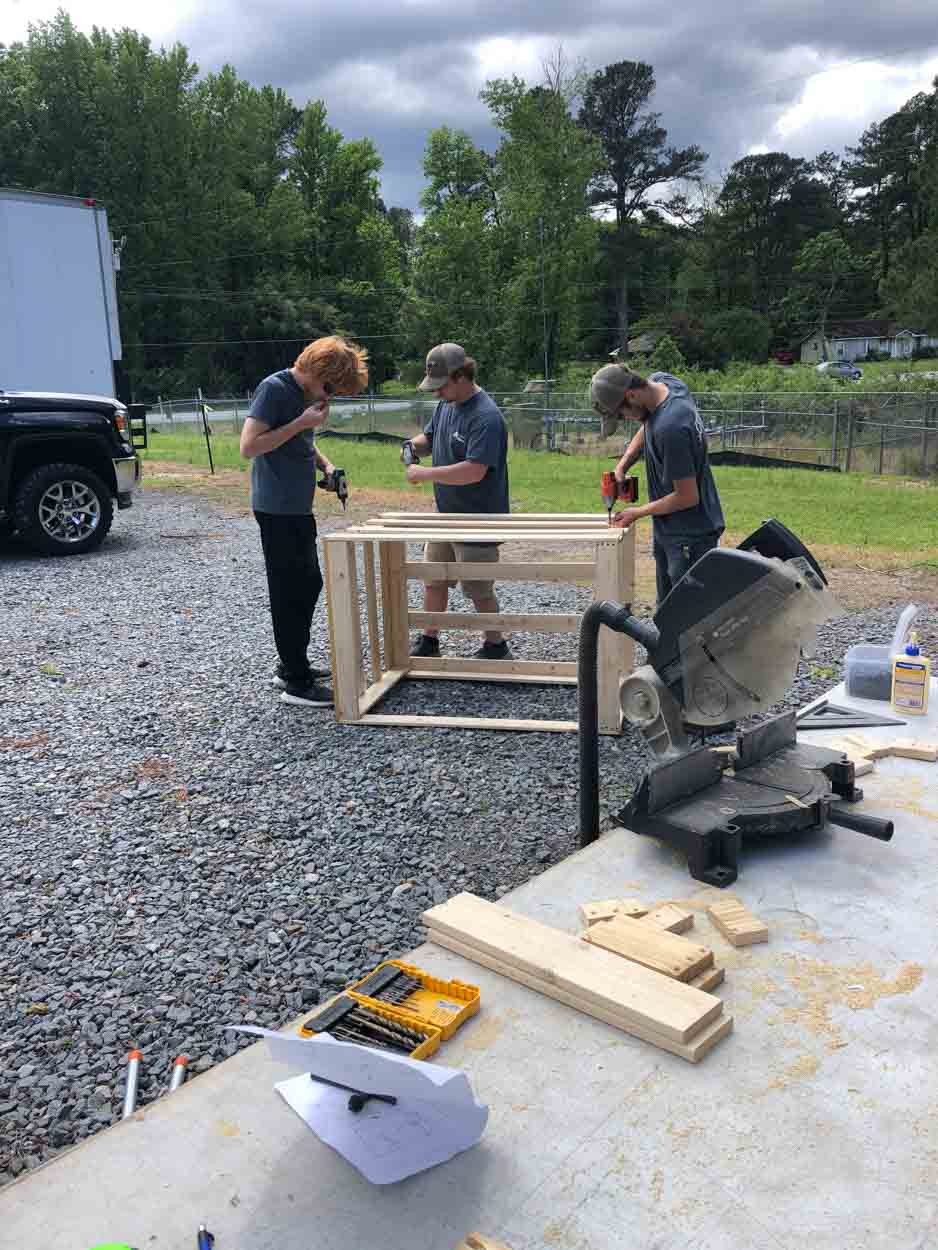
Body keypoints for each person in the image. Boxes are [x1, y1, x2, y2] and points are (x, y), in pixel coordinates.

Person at [240, 335, 369, 708]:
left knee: (307, 584)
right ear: (316, 370)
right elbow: (249, 445)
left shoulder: (304, 396)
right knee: (289, 592)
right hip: (276, 507)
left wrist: (326, 466)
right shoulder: (275, 389)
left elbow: (301, 442)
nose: (328, 395)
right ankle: (295, 682)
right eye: (329, 387)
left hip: (297, 506)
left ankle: (292, 664)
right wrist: (300, 422)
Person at [401, 342, 511, 660]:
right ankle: (429, 640)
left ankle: (496, 645)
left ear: (462, 376)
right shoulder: (447, 406)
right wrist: (412, 446)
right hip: (445, 515)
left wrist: (424, 474)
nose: (437, 393)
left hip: (479, 519)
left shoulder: (487, 417)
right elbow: (431, 438)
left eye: (441, 386)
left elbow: (474, 471)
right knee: (434, 579)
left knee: (478, 589)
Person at [590, 364, 725, 606]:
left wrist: (637, 512)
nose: (625, 420)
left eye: (622, 415)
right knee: (667, 611)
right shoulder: (665, 383)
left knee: (687, 617)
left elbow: (687, 497)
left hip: (689, 536)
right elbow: (647, 423)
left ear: (631, 395)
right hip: (670, 528)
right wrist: (623, 465)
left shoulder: (672, 428)